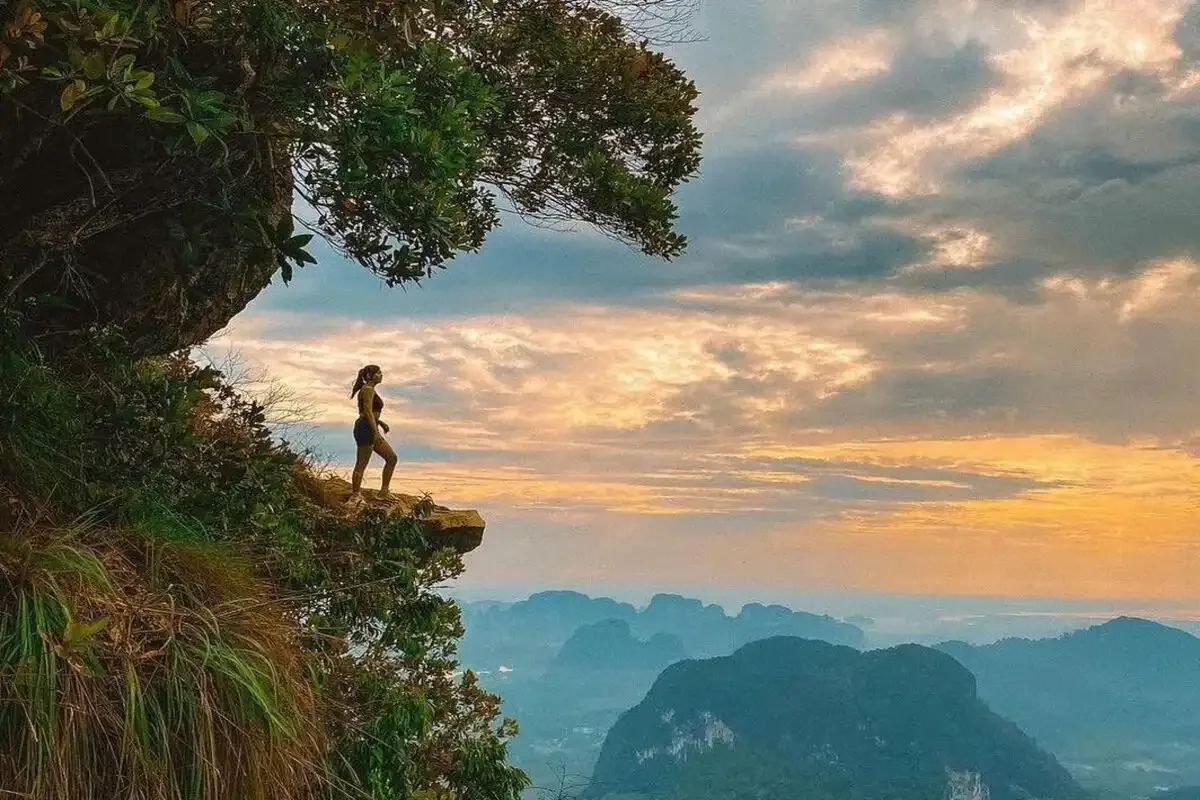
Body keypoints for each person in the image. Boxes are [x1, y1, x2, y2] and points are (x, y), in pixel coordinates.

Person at [348, 364, 398, 502]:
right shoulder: (368, 390)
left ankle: (384, 491)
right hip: (365, 428)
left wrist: (380, 423)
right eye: (378, 373)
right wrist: (375, 432)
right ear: (370, 376)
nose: (381, 375)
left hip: (371, 426)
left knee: (392, 458)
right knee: (361, 463)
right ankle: (355, 495)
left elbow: (369, 413)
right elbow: (367, 412)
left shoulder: (370, 390)